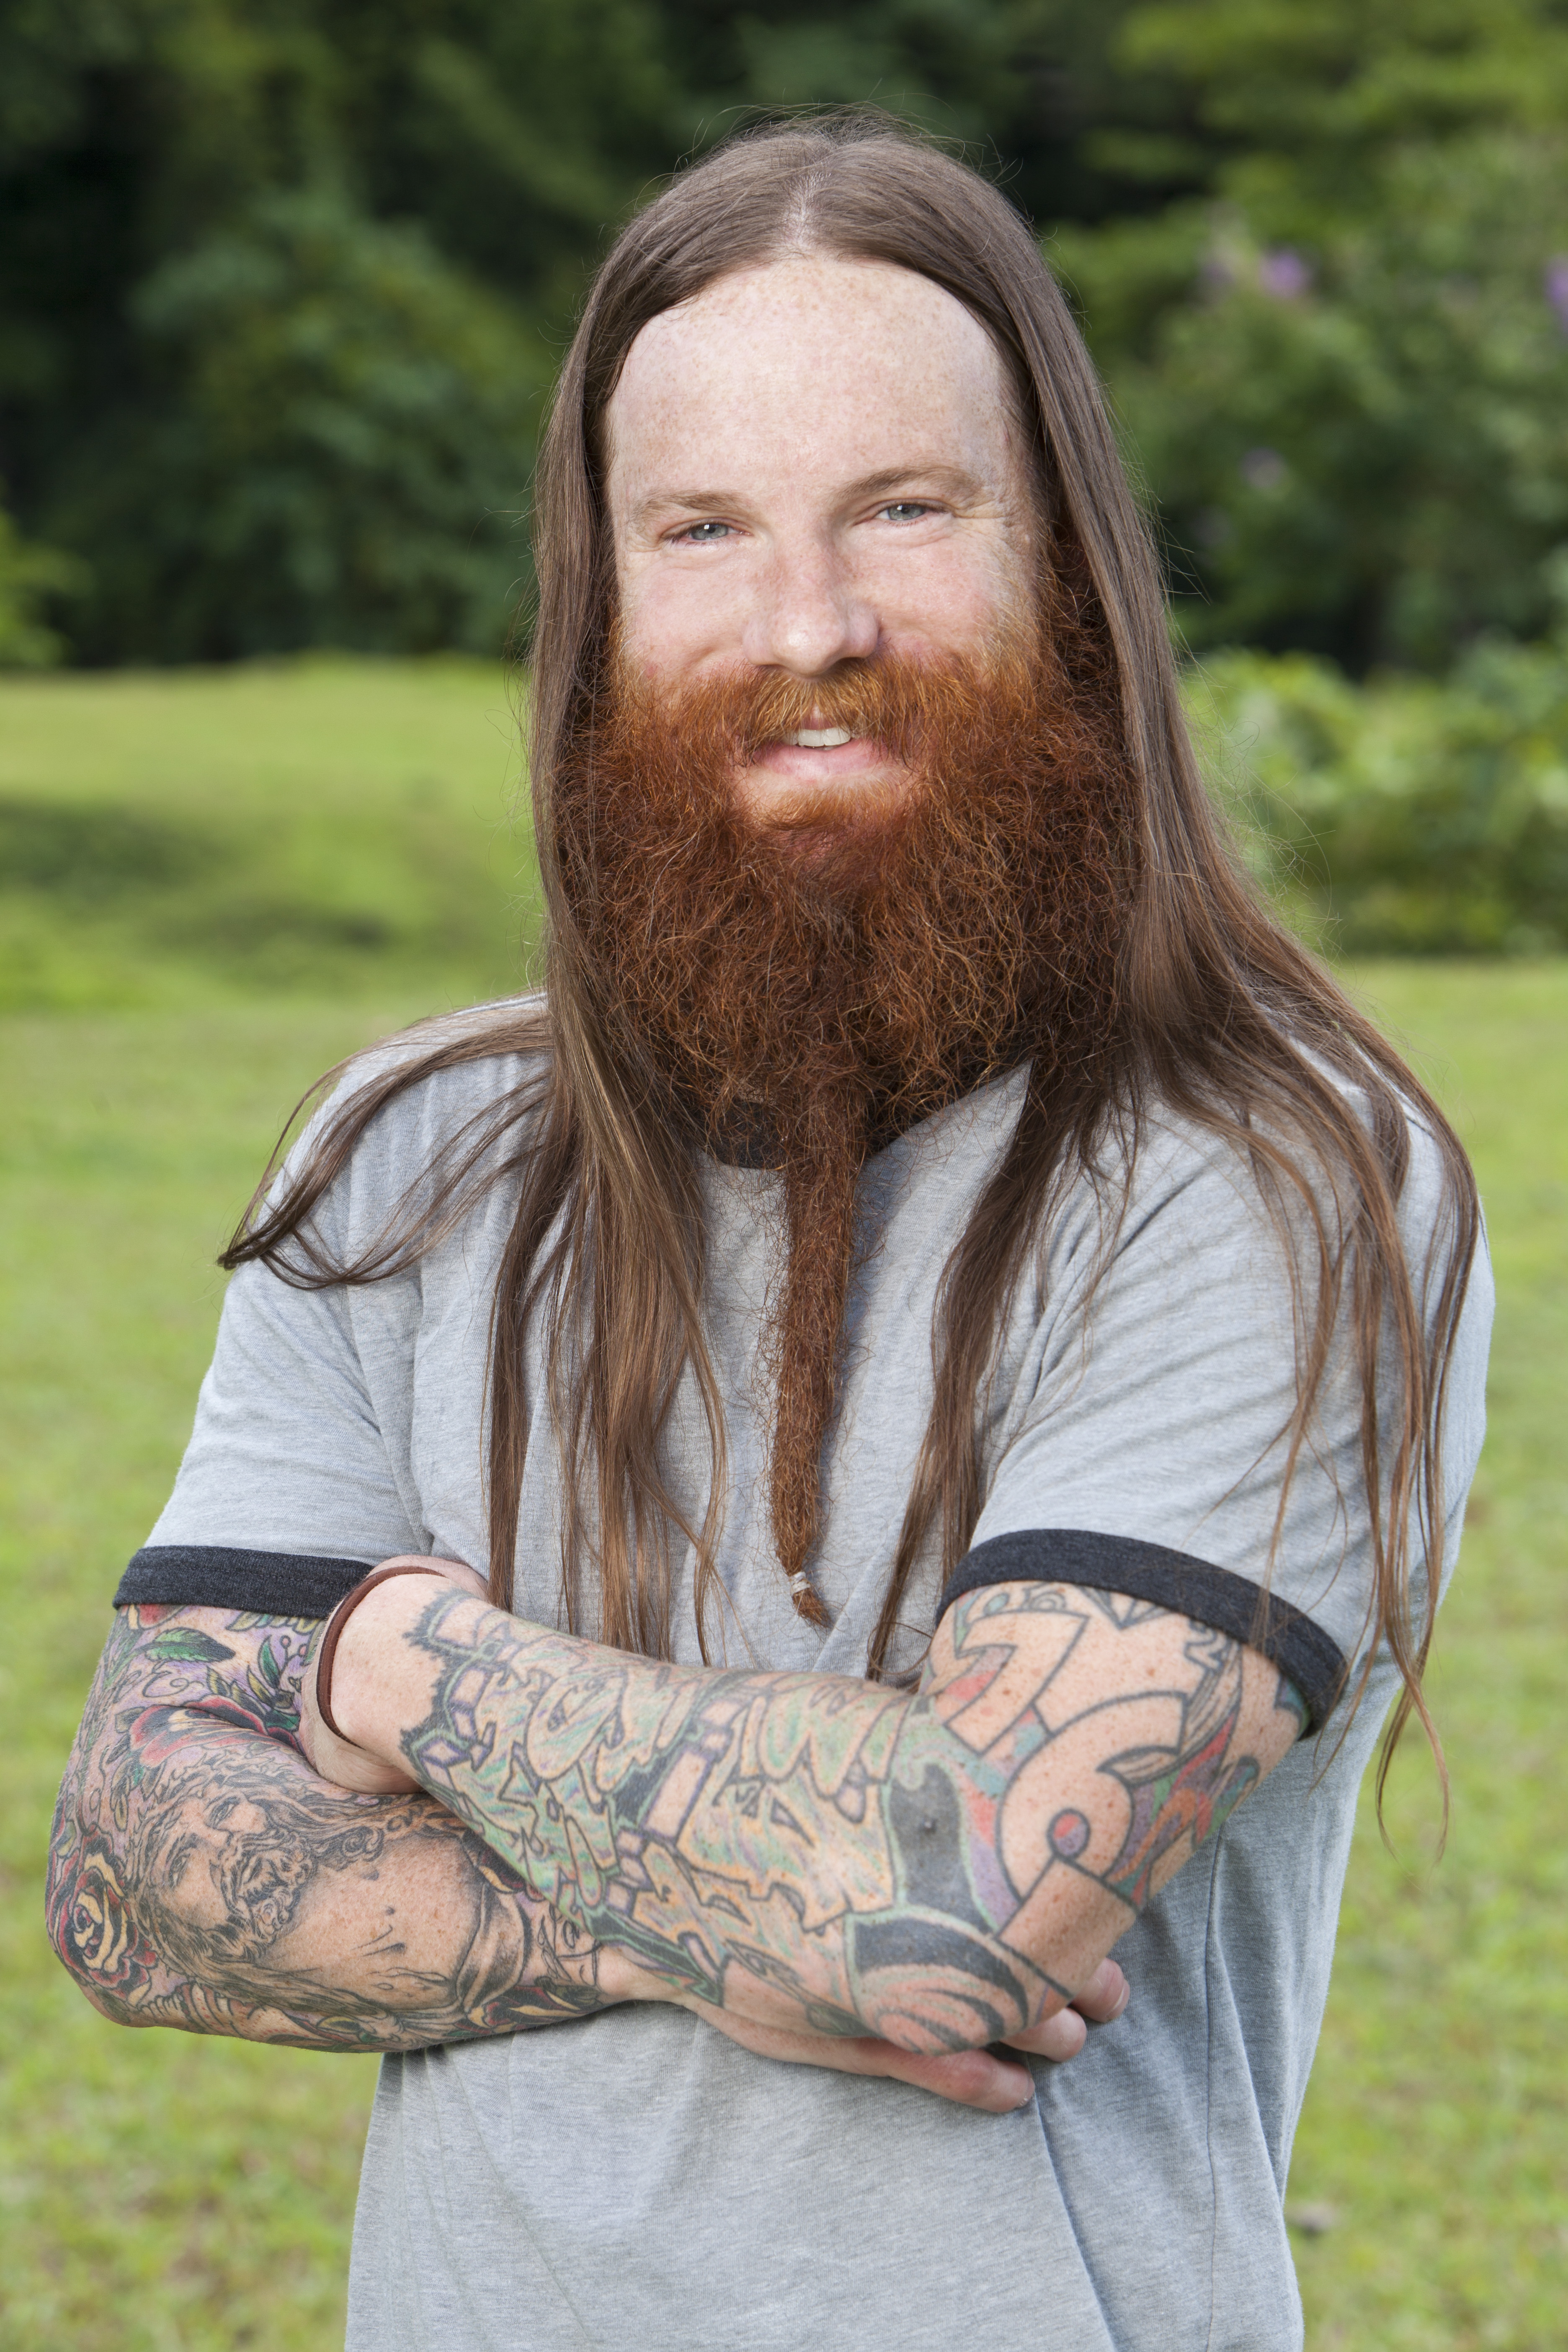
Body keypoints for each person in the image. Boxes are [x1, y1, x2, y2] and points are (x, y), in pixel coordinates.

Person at [48, 117, 1490, 2352]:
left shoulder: (1274, 1175)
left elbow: (967, 1893)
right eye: (703, 531)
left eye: (904, 511)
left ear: (1070, 569)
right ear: (603, 608)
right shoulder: (407, 1161)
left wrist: (395, 1671)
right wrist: (732, 1920)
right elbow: (136, 1874)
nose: (808, 627)